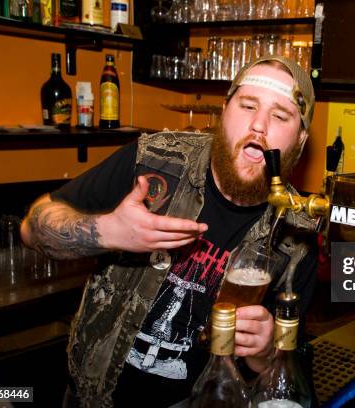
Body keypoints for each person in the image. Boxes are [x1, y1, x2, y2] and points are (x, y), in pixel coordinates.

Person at [20, 55, 318, 408]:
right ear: (224, 111)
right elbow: (31, 228)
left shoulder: (296, 235)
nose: (259, 125)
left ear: (299, 138)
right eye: (248, 105)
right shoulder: (154, 159)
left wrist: (266, 354)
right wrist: (105, 231)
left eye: (280, 116)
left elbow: (286, 386)